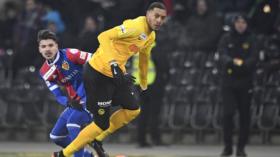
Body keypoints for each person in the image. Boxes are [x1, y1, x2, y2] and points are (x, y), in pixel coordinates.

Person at [51, 2, 167, 157]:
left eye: (162, 18)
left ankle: (97, 139)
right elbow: (103, 36)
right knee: (100, 123)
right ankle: (63, 154)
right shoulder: (135, 26)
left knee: (133, 109)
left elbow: (144, 59)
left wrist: (143, 84)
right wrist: (112, 63)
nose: (159, 20)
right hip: (97, 73)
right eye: (156, 16)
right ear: (148, 14)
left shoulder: (150, 35)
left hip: (115, 74)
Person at [38, 29, 95, 157]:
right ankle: (87, 155)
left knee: (72, 123)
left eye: (51, 45)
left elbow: (97, 60)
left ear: (57, 46)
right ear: (39, 49)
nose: (47, 49)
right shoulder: (44, 72)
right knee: (56, 136)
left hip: (92, 95)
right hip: (76, 101)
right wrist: (68, 102)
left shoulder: (71, 54)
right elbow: (57, 94)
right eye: (43, 46)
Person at [217, 14, 258, 157]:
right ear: (234, 24)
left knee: (244, 116)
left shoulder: (252, 39)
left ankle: (241, 148)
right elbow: (222, 55)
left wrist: (243, 65)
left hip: (245, 82)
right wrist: (231, 62)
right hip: (228, 82)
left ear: (247, 24)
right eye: (238, 22)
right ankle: (227, 147)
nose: (241, 24)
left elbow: (254, 58)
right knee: (228, 114)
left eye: (243, 22)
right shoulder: (226, 38)